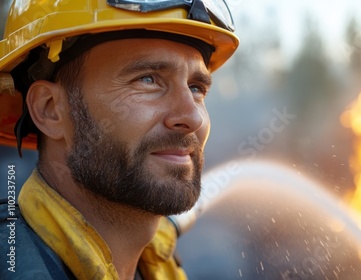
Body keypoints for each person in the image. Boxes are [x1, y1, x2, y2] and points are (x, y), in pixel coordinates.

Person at [0, 0, 238, 279]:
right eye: (148, 80)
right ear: (50, 109)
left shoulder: (157, 266)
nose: (192, 117)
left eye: (196, 88)